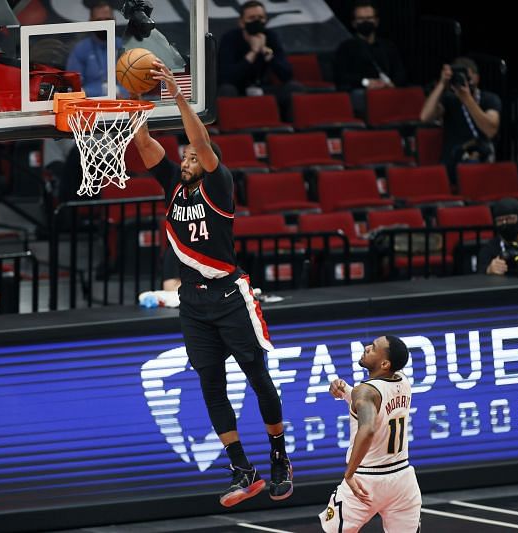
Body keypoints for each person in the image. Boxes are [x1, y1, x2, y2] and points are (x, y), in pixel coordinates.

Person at [132, 61, 292, 507]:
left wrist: (175, 93)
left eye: (189, 158)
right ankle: (243, 468)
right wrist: (134, 105)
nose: (183, 160)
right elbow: (144, 144)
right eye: (181, 157)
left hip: (229, 295)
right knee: (209, 385)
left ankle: (280, 457)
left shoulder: (218, 185)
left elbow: (200, 140)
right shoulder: (173, 186)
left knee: (258, 378)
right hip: (193, 303)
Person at [319, 335, 421, 532]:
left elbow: (368, 429)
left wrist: (349, 474)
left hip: (367, 479)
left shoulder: (365, 391)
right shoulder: (403, 381)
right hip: (402, 480)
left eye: (373, 348)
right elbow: (377, 404)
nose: (367, 347)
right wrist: (346, 392)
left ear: (384, 363)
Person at [420, 57, 501, 181]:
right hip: (454, 162)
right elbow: (425, 117)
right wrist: (442, 83)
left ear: (477, 78)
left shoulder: (489, 99)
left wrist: (467, 99)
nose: (465, 81)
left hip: (482, 162)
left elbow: (490, 130)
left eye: (468, 77)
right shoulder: (449, 99)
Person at [217, 1, 298, 119]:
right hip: (238, 90)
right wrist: (253, 52)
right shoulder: (230, 39)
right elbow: (226, 77)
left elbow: (286, 74)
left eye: (260, 17)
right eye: (251, 18)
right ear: (241, 22)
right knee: (226, 90)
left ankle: (289, 130)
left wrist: (266, 52)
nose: (257, 21)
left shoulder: (271, 36)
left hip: (262, 88)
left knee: (294, 88)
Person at [333, 0, 406, 93]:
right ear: (354, 23)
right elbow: (340, 76)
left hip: (389, 91)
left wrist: (392, 83)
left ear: (376, 21)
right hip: (361, 94)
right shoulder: (345, 47)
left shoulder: (388, 46)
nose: (365, 21)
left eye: (369, 18)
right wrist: (366, 82)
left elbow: (400, 72)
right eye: (360, 18)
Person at [66, 1, 127, 97]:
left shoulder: (125, 46)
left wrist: (121, 91)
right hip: (90, 105)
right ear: (91, 21)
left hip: (122, 103)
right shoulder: (81, 49)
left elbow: (135, 83)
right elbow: (73, 86)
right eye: (99, 20)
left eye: (107, 20)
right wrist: (99, 91)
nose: (104, 24)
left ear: (114, 20)